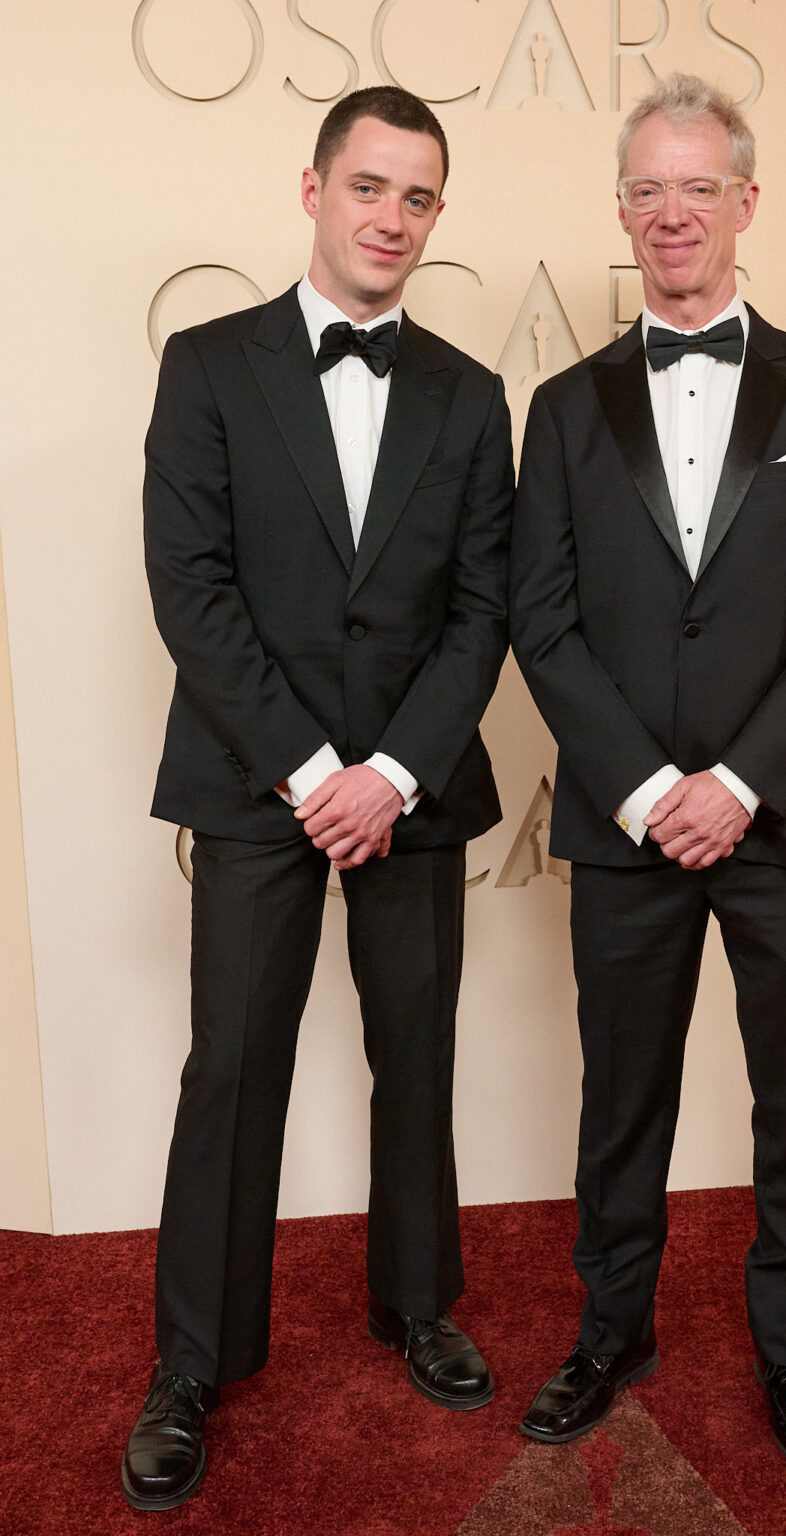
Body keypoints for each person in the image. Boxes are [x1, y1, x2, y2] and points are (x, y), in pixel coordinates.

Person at [122, 86, 514, 1511]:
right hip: (254, 782)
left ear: (435, 215)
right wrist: (310, 773)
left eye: (417, 197)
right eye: (368, 186)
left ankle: (418, 1302)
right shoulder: (207, 365)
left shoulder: (472, 396)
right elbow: (191, 589)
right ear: (313, 188)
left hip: (413, 784)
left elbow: (483, 612)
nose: (390, 218)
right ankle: (193, 1362)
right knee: (232, 1068)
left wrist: (390, 775)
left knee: (416, 1049)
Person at [510, 73, 786, 1471]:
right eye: (648, 190)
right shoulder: (561, 409)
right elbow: (539, 619)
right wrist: (643, 789)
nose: (673, 213)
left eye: (698, 187)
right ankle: (612, 1331)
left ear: (745, 201)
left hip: (785, 821)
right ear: (623, 210)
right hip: (625, 826)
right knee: (621, 1102)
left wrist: (735, 785)